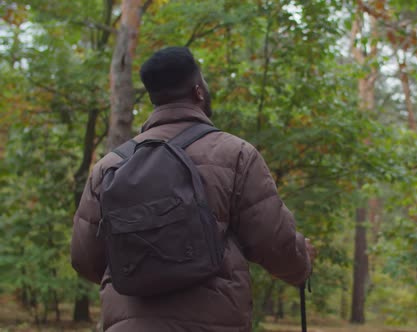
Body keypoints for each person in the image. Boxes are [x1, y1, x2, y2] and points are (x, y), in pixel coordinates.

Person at [70, 46, 315, 332]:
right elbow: (275, 243)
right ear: (199, 92)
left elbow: (84, 258)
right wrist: (302, 263)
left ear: (154, 99)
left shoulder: (109, 167)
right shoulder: (235, 154)